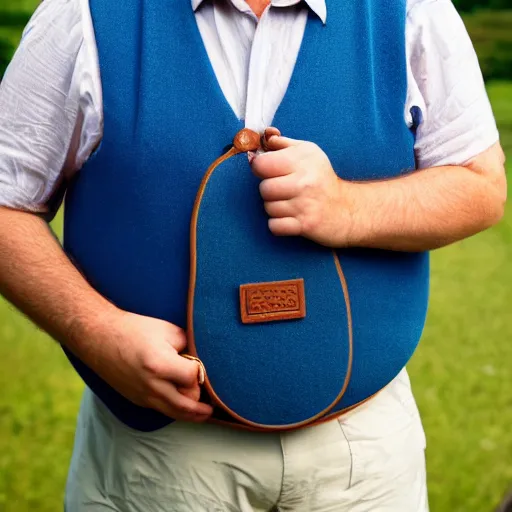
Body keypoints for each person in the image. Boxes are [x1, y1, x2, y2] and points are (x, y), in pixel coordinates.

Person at [0, 0, 506, 510]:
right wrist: (96, 332)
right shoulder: (81, 14)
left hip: (362, 458)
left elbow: (480, 186)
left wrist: (347, 208)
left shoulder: (412, 10)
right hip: (156, 461)